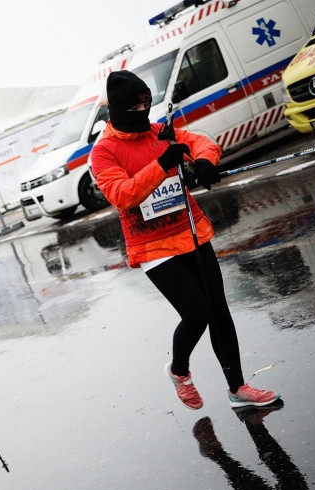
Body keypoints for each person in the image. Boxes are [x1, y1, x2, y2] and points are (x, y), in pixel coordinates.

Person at [89, 70, 280, 410]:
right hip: (153, 246)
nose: (143, 113)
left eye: (148, 104)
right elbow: (121, 195)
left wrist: (205, 162)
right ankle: (179, 371)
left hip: (190, 231)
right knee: (197, 314)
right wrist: (162, 163)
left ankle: (237, 388)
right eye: (136, 108)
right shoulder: (104, 152)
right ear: (119, 110)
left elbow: (200, 142)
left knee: (219, 311)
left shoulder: (159, 131)